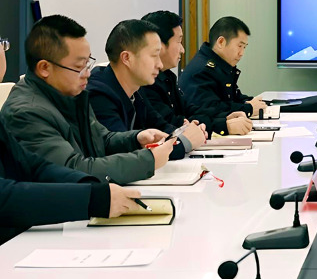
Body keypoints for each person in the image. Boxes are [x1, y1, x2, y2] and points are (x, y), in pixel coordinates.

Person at [1, 15, 175, 184]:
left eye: (87, 63)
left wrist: (136, 139)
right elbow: (73, 171)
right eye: (79, 66)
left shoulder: (71, 94)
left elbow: (101, 140)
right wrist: (147, 161)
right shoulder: (26, 113)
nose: (87, 73)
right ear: (45, 68)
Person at [0, 39, 141, 245]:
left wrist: (93, 188)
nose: (87, 73)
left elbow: (32, 165)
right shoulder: (27, 109)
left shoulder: (76, 95)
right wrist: (93, 198)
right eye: (78, 66)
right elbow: (6, 196)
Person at [87, 19, 205, 151]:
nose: (160, 64)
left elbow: (161, 127)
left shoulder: (136, 90)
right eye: (154, 56)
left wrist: (185, 132)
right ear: (126, 58)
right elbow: (122, 151)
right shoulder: (99, 95)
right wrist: (186, 142)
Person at [139, 11, 252, 136]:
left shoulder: (167, 76)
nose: (183, 50)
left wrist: (224, 118)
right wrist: (224, 125)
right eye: (179, 42)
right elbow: (171, 126)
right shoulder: (144, 83)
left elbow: (189, 112)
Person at [180, 16, 266, 120]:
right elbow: (210, 109)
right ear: (221, 42)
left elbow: (233, 98)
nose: (241, 53)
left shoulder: (220, 66)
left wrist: (253, 102)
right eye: (239, 46)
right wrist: (249, 108)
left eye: (244, 47)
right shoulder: (202, 71)